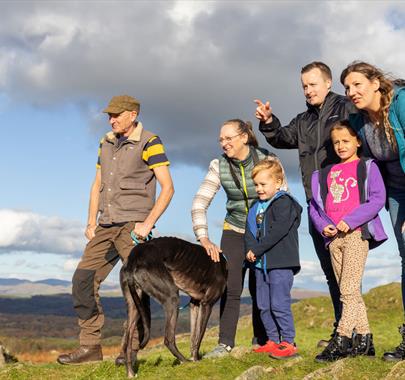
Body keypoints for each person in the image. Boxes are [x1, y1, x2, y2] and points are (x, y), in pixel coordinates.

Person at [57, 95, 174, 365]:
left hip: (133, 226)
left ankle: (130, 348)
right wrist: (90, 221)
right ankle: (90, 348)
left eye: (116, 115)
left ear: (132, 115)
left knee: (135, 286)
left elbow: (168, 187)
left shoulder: (150, 142)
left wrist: (146, 224)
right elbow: (97, 182)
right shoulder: (105, 141)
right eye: (109, 116)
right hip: (106, 224)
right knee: (82, 281)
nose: (111, 120)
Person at [254, 61, 356, 345]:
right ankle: (342, 329)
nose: (307, 90)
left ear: (327, 83)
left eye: (312, 84)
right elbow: (282, 138)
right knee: (329, 270)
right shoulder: (303, 120)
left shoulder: (346, 108)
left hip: (343, 199)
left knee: (347, 270)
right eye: (304, 86)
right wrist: (268, 122)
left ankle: (354, 331)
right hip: (315, 204)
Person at [191, 119, 287, 357]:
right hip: (233, 231)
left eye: (228, 138)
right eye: (221, 139)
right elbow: (199, 203)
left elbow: (283, 195)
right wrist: (204, 238)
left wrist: (276, 232)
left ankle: (262, 339)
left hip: (262, 233)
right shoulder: (218, 165)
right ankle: (225, 344)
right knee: (231, 287)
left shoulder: (268, 159)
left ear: (244, 137)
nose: (224, 143)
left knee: (260, 287)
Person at [341, 61, 405, 361]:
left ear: (376, 83)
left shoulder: (402, 103)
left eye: (357, 84)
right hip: (395, 192)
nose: (351, 92)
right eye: (347, 88)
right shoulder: (360, 122)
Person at [310, 120, 387, 362]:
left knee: (348, 289)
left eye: (345, 141)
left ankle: (342, 338)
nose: (341, 146)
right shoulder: (324, 174)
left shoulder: (367, 167)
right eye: (336, 143)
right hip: (333, 239)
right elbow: (314, 207)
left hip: (356, 234)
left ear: (358, 142)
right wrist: (324, 227)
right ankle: (365, 340)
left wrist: (351, 221)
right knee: (350, 291)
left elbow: (377, 199)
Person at [245, 159, 302, 359]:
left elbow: (278, 231)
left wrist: (258, 249)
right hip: (260, 266)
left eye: (263, 184)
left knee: (279, 304)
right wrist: (251, 249)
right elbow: (249, 231)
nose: (259, 189)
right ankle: (273, 340)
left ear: (278, 182)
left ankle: (288, 342)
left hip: (280, 263)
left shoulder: (284, 202)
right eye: (256, 185)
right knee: (263, 305)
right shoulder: (254, 206)